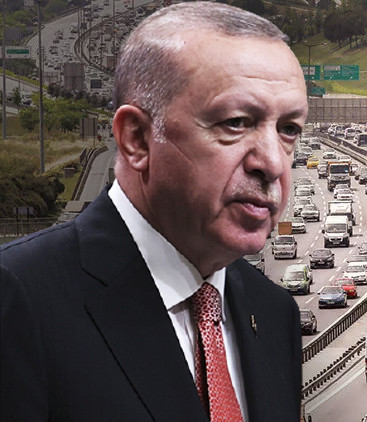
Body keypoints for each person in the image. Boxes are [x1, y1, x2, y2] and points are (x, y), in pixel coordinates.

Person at [1, 3, 307, 421]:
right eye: (236, 122)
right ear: (137, 139)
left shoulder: (274, 313)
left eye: (288, 129)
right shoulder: (21, 299)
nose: (272, 163)